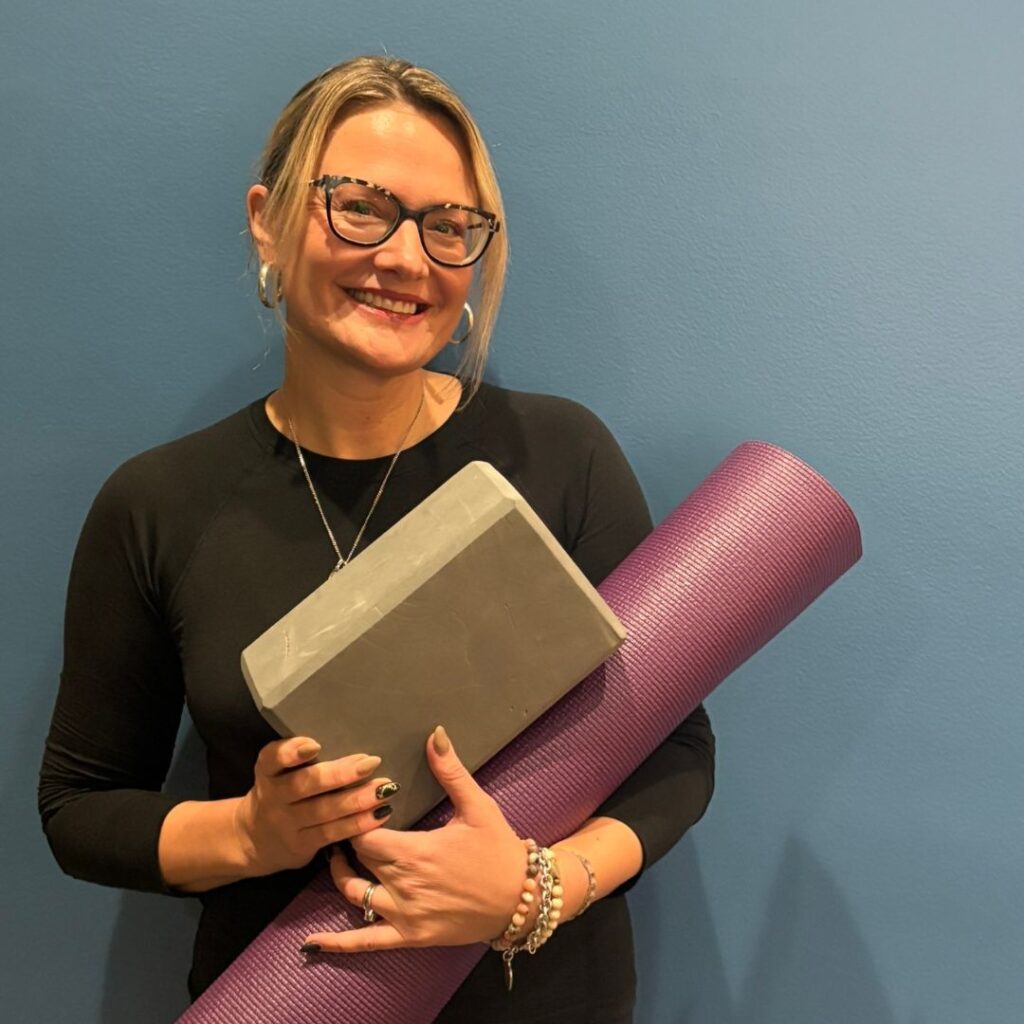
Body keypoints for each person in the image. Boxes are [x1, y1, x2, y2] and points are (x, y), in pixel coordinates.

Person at [38, 56, 714, 1023]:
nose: (406, 258)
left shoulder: (562, 455)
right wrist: (251, 834)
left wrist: (532, 887)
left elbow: (677, 747)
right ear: (268, 219)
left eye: (449, 227)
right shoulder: (156, 503)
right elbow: (80, 810)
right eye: (360, 206)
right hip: (289, 1000)